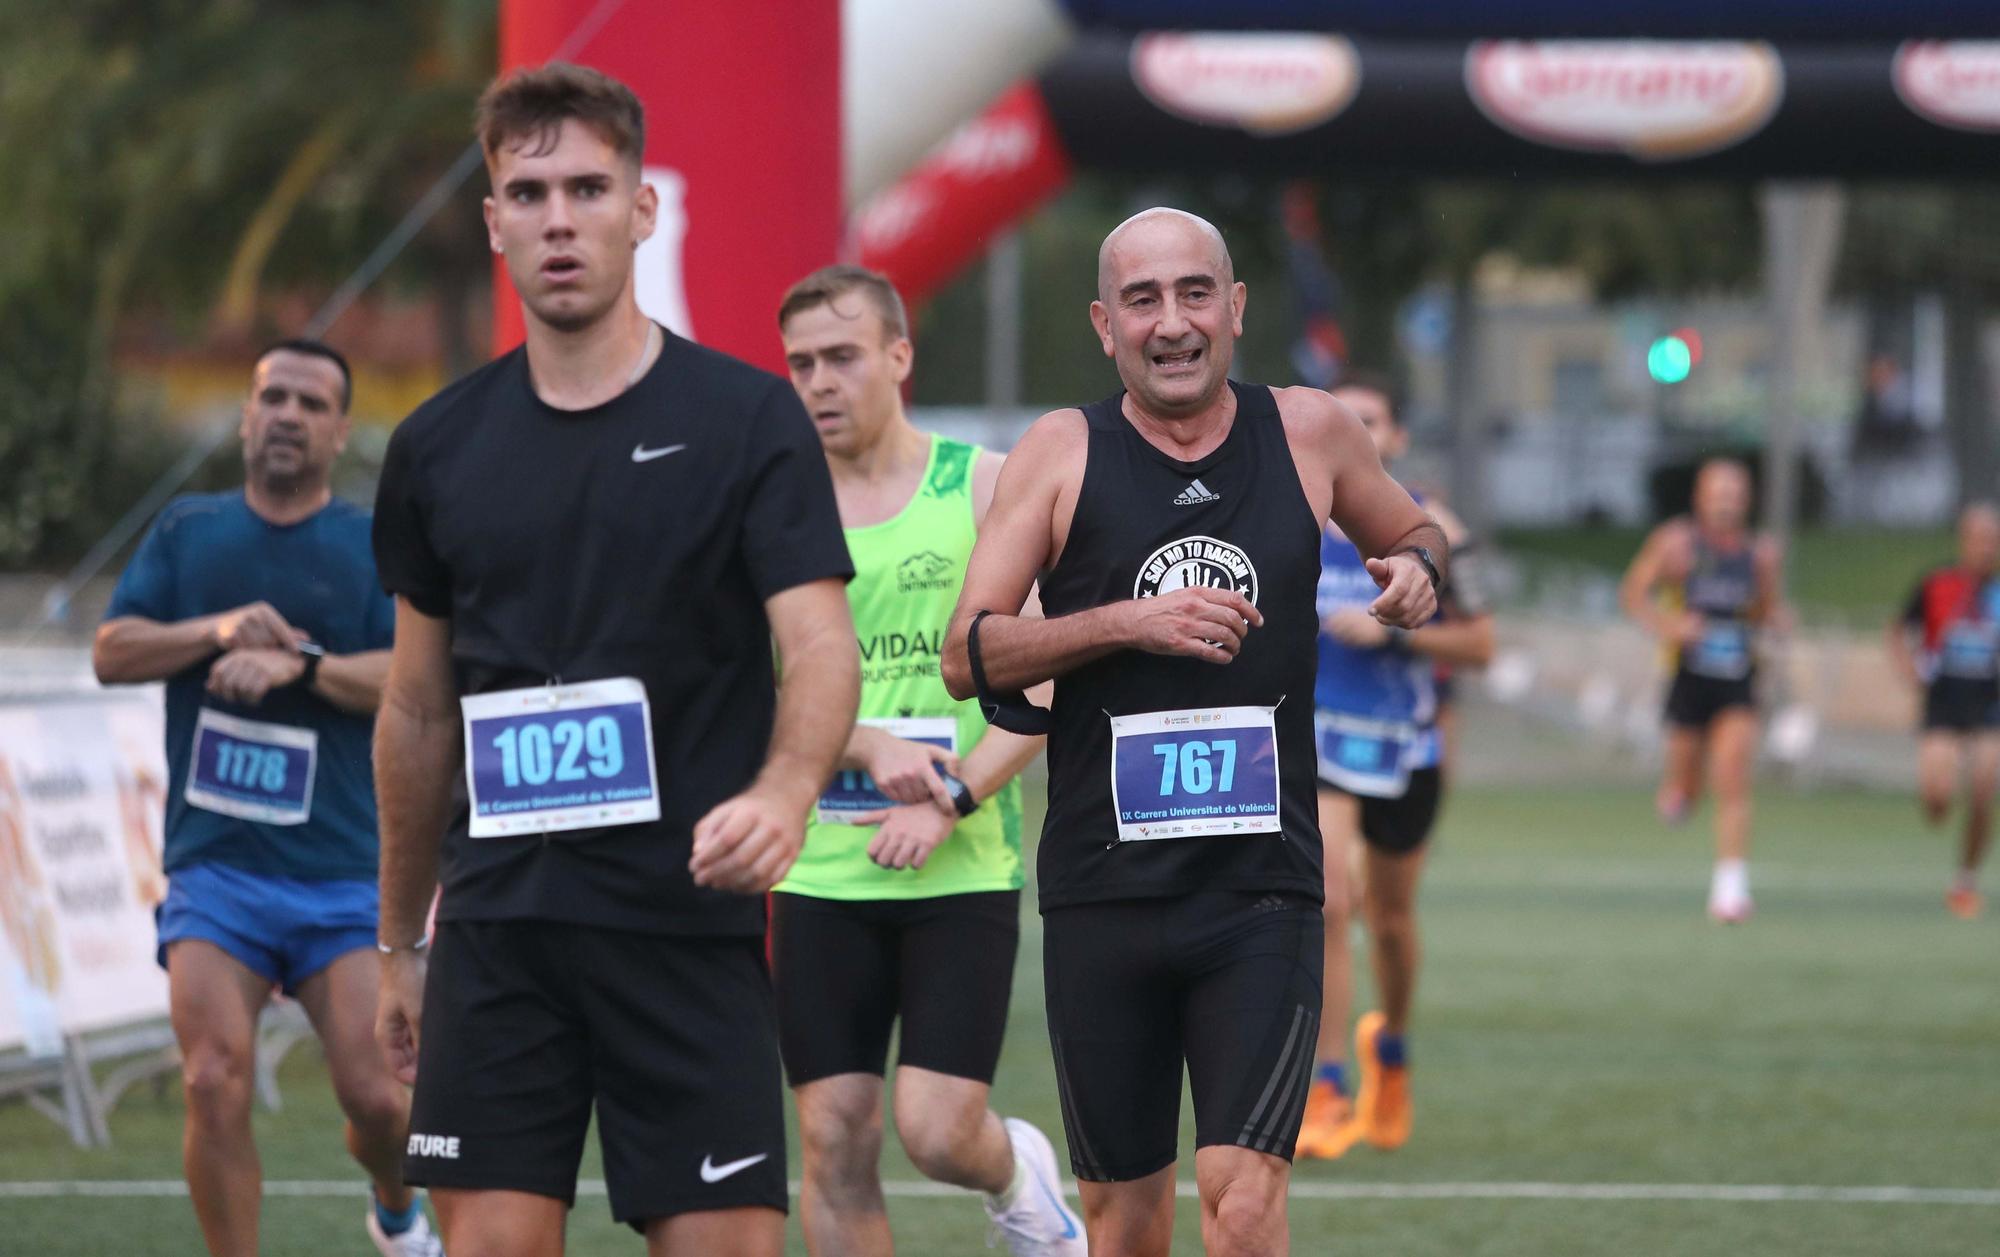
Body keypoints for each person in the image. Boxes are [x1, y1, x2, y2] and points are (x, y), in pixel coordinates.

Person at [368, 64, 858, 1257]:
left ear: (642, 210)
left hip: (684, 932)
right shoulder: (437, 447)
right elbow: (418, 713)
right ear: (492, 221)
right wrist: (395, 943)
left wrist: (786, 792)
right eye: (527, 192)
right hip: (498, 937)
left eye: (588, 187)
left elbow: (819, 645)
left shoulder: (748, 422)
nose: (558, 219)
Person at [941, 208, 1446, 1257]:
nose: (1170, 323)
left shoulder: (1309, 431)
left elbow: (1410, 529)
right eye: (1141, 300)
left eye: (1192, 293)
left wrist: (1417, 569)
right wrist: (1127, 621)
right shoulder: (1059, 451)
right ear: (1103, 324)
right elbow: (970, 652)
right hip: (1102, 893)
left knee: (1244, 1197)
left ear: (1234, 307)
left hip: (1259, 892)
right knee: (1125, 1224)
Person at [92, 340, 438, 1257]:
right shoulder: (187, 533)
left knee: (377, 1098)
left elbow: (420, 678)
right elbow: (110, 651)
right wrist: (212, 630)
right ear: (246, 416)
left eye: (311, 402)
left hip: (339, 873)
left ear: (340, 429)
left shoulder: (368, 545)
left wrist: (302, 665)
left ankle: (397, 1211)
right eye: (272, 395)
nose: (288, 412)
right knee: (211, 1077)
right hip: (217, 869)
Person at [772, 265, 1083, 1256]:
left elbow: (1042, 680)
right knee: (832, 1139)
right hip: (819, 865)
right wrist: (854, 747)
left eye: (842, 357)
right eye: (801, 364)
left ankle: (1015, 1174)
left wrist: (946, 793)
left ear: (898, 357)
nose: (820, 381)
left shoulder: (983, 484)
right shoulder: (772, 510)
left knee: (937, 1132)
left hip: (960, 858)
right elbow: (743, 690)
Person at [1293, 372, 1494, 1163]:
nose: (1356, 430)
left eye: (1371, 419)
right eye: (1342, 417)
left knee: (1393, 920)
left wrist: (1397, 635)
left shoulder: (1433, 528)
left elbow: (1481, 645)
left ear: (1398, 438)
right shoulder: (1297, 515)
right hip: (1324, 741)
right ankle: (1327, 1084)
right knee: (1328, 902)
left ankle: (1395, 1049)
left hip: (1406, 748)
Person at [1619, 459, 1787, 923]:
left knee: (1732, 775)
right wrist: (1671, 626)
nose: (1727, 501)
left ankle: (1730, 890)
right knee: (1684, 789)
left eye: (1735, 493)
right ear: (1700, 497)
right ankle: (1679, 792)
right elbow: (1633, 595)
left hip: (1737, 678)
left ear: (1747, 500)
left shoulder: (1760, 554)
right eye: (1719, 492)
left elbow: (1766, 609)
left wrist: (1775, 621)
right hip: (1688, 678)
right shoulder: (1676, 543)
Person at [1888, 502, 2000, 919]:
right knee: (1937, 799)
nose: (1987, 549)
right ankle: (1940, 806)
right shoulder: (1937, 585)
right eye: (1979, 540)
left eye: (1994, 541)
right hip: (1944, 706)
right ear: (1964, 542)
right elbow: (1898, 630)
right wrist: (1910, 670)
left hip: (1990, 707)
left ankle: (1965, 879)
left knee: (1984, 789)